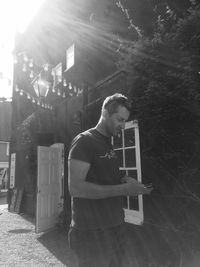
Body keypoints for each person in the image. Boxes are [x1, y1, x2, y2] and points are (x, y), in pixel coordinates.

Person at [68, 93, 153, 267]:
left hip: (115, 228)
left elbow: (108, 175)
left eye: (125, 121)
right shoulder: (84, 141)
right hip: (91, 234)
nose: (122, 125)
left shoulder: (107, 143)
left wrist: (129, 182)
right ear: (105, 113)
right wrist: (124, 190)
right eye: (119, 120)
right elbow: (75, 188)